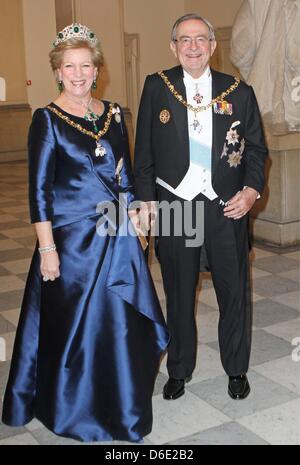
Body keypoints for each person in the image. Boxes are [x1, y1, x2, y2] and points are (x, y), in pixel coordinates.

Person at [2, 23, 168, 443]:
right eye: (69, 66)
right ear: (58, 72)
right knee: (76, 331)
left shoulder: (113, 113)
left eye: (86, 66)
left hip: (117, 237)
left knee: (120, 327)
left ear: (97, 70)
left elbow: (126, 179)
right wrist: (47, 250)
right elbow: (39, 193)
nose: (78, 74)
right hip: (73, 245)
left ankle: (121, 404)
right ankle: (75, 408)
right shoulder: (47, 120)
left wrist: (139, 224)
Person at [134, 14, 267, 401]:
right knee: (177, 290)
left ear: (213, 45)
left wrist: (251, 190)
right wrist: (147, 201)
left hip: (226, 206)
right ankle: (179, 368)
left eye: (200, 40)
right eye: (184, 40)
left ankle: (237, 369)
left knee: (233, 290)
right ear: (173, 46)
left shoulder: (238, 91)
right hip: (176, 205)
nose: (193, 46)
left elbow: (257, 150)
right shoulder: (157, 87)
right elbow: (143, 153)